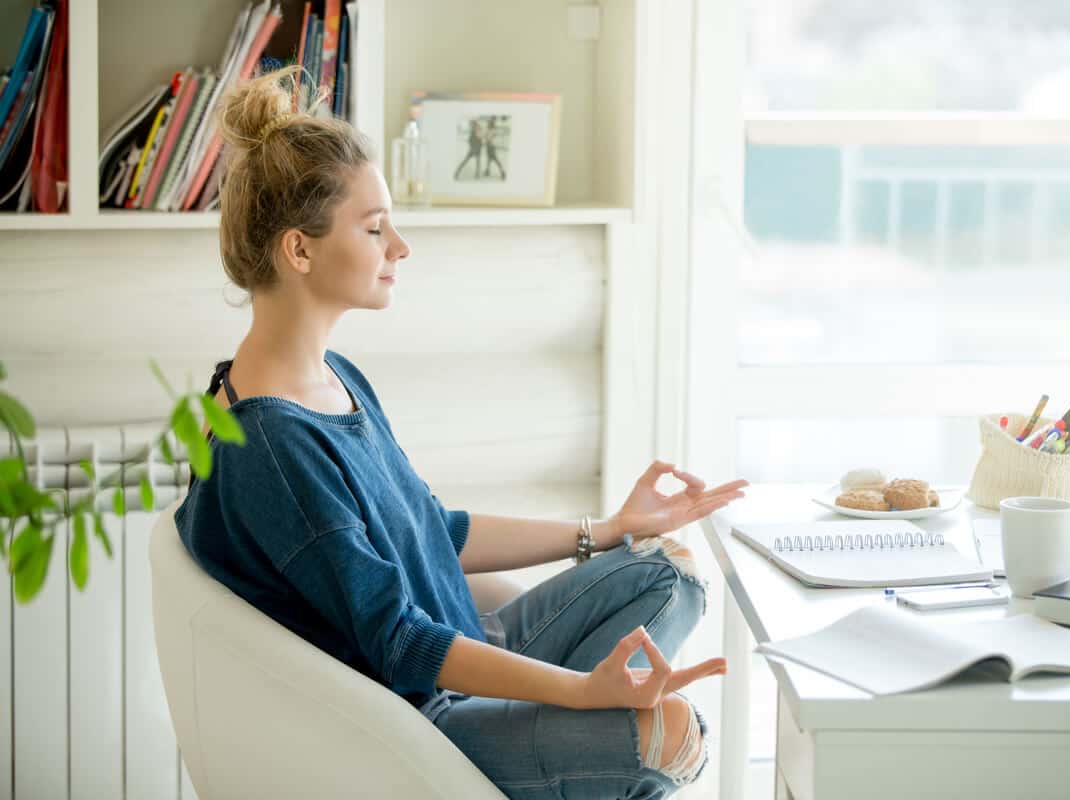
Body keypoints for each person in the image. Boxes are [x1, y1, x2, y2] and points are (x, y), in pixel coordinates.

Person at [173, 65, 749, 799]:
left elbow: (435, 532)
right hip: (422, 722)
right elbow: (401, 641)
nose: (401, 248)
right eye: (376, 229)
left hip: (473, 647)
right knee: (671, 734)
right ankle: (594, 737)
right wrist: (579, 693)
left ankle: (588, 740)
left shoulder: (333, 376)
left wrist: (607, 529)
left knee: (670, 572)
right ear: (299, 250)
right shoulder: (275, 449)